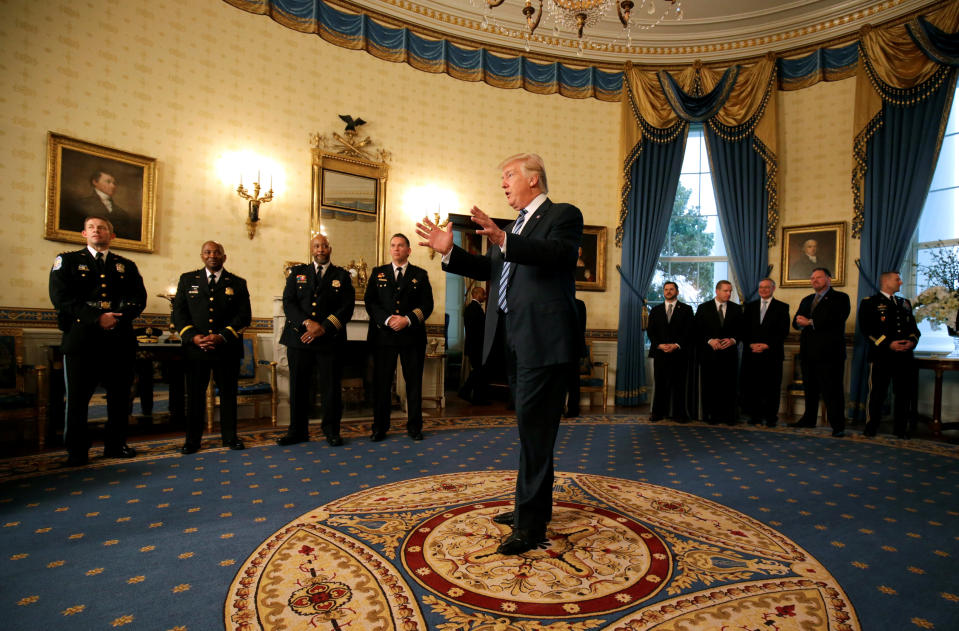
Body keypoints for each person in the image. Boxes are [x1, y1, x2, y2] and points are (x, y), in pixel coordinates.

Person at [415, 152, 583, 556]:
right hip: (513, 338)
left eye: (509, 176)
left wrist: (507, 240)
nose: (503, 183)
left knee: (537, 434)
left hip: (545, 341)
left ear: (535, 180)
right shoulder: (512, 228)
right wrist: (449, 252)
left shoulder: (563, 215)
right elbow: (490, 271)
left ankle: (531, 524)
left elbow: (558, 255)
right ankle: (530, 505)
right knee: (529, 430)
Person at [48, 216, 147, 466]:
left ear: (111, 235)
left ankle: (115, 445)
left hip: (118, 341)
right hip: (82, 341)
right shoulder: (68, 261)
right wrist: (96, 318)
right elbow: (61, 298)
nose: (96, 231)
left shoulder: (126, 265)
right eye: (91, 227)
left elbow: (138, 299)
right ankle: (77, 451)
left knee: (120, 398)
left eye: (102, 228)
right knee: (79, 399)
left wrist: (115, 319)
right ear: (83, 234)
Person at [173, 241, 251, 454]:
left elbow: (244, 317)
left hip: (226, 350)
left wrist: (222, 336)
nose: (212, 255)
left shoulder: (238, 283)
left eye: (217, 252)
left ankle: (230, 437)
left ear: (224, 257)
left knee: (228, 395)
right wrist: (193, 337)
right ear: (202, 256)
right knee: (195, 396)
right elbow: (178, 314)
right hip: (196, 349)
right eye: (208, 252)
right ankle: (192, 441)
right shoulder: (187, 280)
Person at [278, 235, 354, 446]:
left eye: (324, 246)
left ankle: (331, 430)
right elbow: (289, 302)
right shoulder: (297, 273)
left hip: (330, 341)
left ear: (330, 248)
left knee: (330, 388)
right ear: (312, 249)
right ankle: (297, 431)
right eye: (316, 246)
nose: (321, 249)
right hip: (299, 338)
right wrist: (307, 323)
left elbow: (346, 308)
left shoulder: (342, 276)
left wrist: (324, 327)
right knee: (299, 387)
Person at [364, 234, 433, 442]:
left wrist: (407, 320)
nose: (396, 249)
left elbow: (427, 305)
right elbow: (370, 302)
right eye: (393, 245)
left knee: (413, 384)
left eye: (401, 245)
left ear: (408, 250)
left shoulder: (420, 275)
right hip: (383, 338)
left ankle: (414, 427)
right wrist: (387, 320)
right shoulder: (378, 274)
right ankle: (380, 427)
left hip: (412, 337)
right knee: (382, 384)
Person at [789, 267, 850, 437]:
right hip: (808, 353)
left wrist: (810, 322)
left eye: (819, 277)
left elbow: (836, 319)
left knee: (832, 390)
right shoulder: (807, 299)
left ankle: (838, 425)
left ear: (829, 279)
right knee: (810, 389)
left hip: (830, 354)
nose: (815, 280)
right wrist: (802, 323)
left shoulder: (840, 298)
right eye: (812, 278)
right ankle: (809, 419)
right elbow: (796, 321)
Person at [858, 271, 920, 438]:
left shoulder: (904, 303)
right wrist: (888, 344)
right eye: (897, 279)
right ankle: (871, 426)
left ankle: (900, 428)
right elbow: (867, 329)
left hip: (904, 357)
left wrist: (912, 342)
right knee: (877, 393)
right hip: (881, 356)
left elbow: (914, 329)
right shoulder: (870, 303)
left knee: (903, 394)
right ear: (886, 282)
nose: (900, 282)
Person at [740, 278, 790, 427]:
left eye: (766, 287)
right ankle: (754, 416)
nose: (763, 290)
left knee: (772, 387)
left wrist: (766, 345)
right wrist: (751, 344)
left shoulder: (782, 307)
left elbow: (783, 331)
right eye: (761, 287)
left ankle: (770, 417)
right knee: (753, 387)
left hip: (772, 355)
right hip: (752, 354)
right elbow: (743, 329)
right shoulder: (750, 307)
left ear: (773, 289)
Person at [695, 280, 743, 425]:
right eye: (726, 291)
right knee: (710, 386)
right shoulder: (703, 308)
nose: (729, 293)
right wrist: (710, 340)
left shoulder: (736, 309)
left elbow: (743, 331)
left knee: (729, 387)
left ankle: (729, 416)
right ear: (717, 291)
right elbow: (696, 331)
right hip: (710, 355)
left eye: (730, 291)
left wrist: (733, 340)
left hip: (729, 355)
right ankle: (711, 415)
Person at [646, 281, 694, 422]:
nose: (668, 291)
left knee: (679, 385)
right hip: (660, 353)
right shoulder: (655, 310)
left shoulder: (686, 309)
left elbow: (689, 331)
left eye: (671, 289)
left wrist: (677, 345)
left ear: (677, 292)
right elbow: (651, 331)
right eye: (666, 289)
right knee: (660, 384)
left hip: (679, 353)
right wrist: (659, 345)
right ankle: (658, 413)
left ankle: (679, 414)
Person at [63, 170, 140, 241]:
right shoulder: (81, 205)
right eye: (108, 182)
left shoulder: (122, 213)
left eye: (114, 183)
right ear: (95, 182)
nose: (113, 186)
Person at [458, 285, 490, 405]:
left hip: (474, 346)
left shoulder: (472, 308)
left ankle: (478, 399)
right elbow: (477, 330)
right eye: (483, 294)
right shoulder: (473, 308)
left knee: (479, 371)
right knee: (479, 370)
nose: (485, 296)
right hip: (476, 346)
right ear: (476, 294)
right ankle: (465, 391)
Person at [564, 297, 588, 417]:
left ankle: (570, 408)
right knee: (573, 381)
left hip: (565, 347)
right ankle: (573, 409)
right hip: (574, 347)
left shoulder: (578, 304)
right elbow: (582, 328)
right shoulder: (579, 304)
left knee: (570, 381)